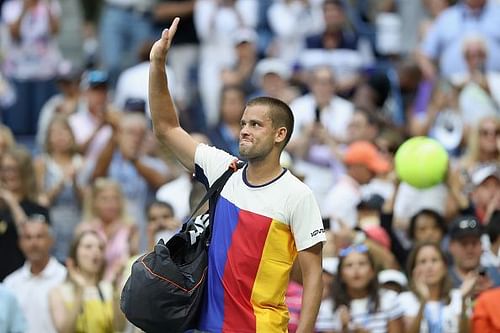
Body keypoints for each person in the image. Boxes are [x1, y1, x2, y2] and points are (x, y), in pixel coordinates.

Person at [149, 18, 325, 332]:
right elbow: (166, 128)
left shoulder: (298, 195)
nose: (244, 130)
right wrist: (158, 65)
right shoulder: (223, 169)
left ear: (279, 134)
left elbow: (313, 277)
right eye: (243, 123)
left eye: (256, 125)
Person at [49, 230, 125, 333]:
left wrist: (116, 290)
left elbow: (120, 328)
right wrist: (80, 292)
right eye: (88, 246)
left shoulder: (108, 289)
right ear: (75, 253)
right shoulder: (58, 292)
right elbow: (64, 331)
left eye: (100, 248)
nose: (96, 251)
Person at [315, 244, 404, 332]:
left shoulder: (389, 299)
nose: (356, 269)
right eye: (349, 265)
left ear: (372, 271)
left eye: (362, 264)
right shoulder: (327, 308)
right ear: (341, 275)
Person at [4, 215, 67, 333]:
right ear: (20, 243)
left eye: (39, 237)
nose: (34, 243)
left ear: (51, 241)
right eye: (28, 237)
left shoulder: (65, 278)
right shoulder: (10, 284)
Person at [400, 242, 477, 333]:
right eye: (423, 262)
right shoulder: (405, 299)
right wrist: (423, 302)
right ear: (414, 269)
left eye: (434, 260)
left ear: (444, 267)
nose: (429, 267)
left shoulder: (458, 296)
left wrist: (463, 300)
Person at [0, 146, 49, 281]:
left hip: (25, 278)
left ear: (25, 171)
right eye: (4, 169)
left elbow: (27, 233)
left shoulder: (37, 207)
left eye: (13, 169)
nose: (8, 174)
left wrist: (11, 201)